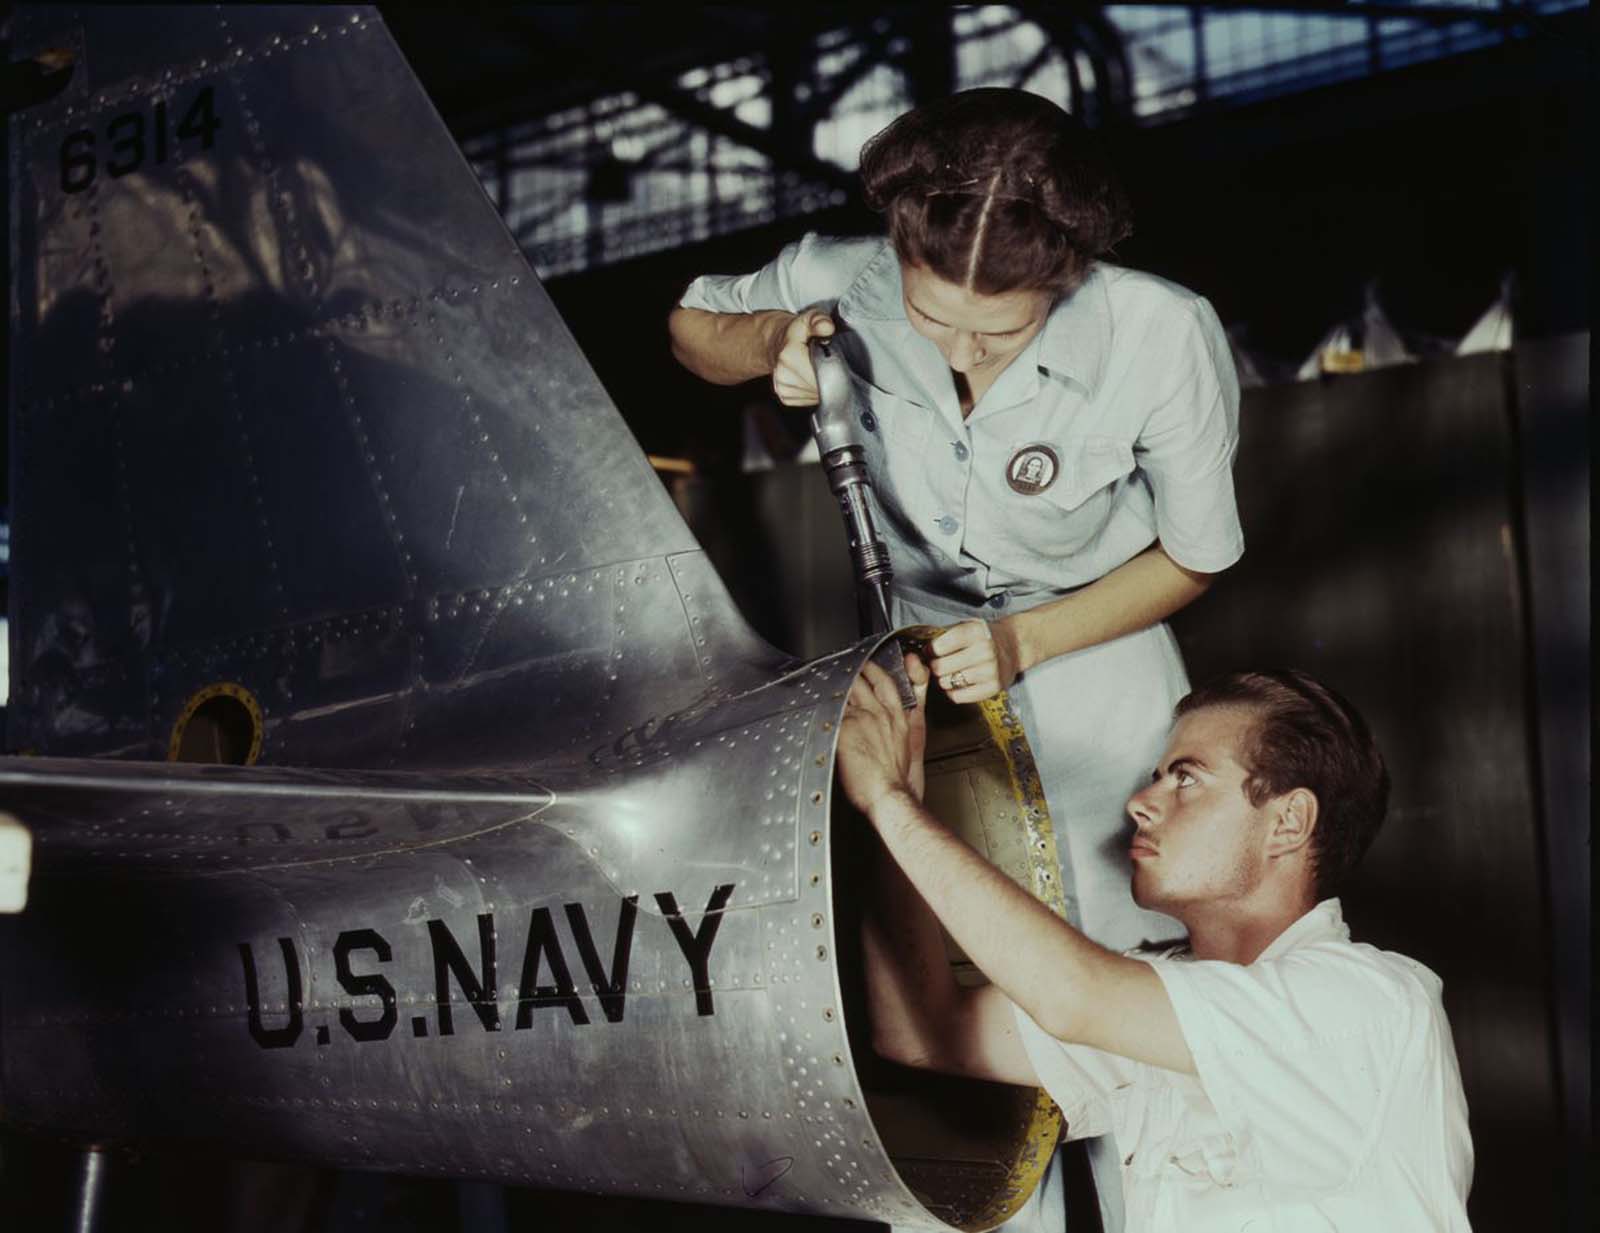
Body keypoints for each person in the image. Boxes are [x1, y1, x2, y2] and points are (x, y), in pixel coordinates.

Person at [669, 87, 1243, 1228]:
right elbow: (690, 326)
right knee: (944, 993)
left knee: (1123, 978)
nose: (962, 350)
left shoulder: (1163, 331)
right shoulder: (851, 275)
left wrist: (1027, 639)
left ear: (1068, 273)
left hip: (1088, 646)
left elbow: (1195, 554)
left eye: (1001, 329)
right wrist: (773, 340)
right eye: (935, 323)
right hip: (910, 661)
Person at [836, 657, 1474, 1232]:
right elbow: (920, 1035)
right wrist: (897, 802)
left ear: (1288, 822)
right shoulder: (1161, 1002)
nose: (1140, 802)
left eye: (1187, 780)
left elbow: (1076, 997)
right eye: (1156, 777)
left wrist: (891, 804)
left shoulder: (1371, 1004)